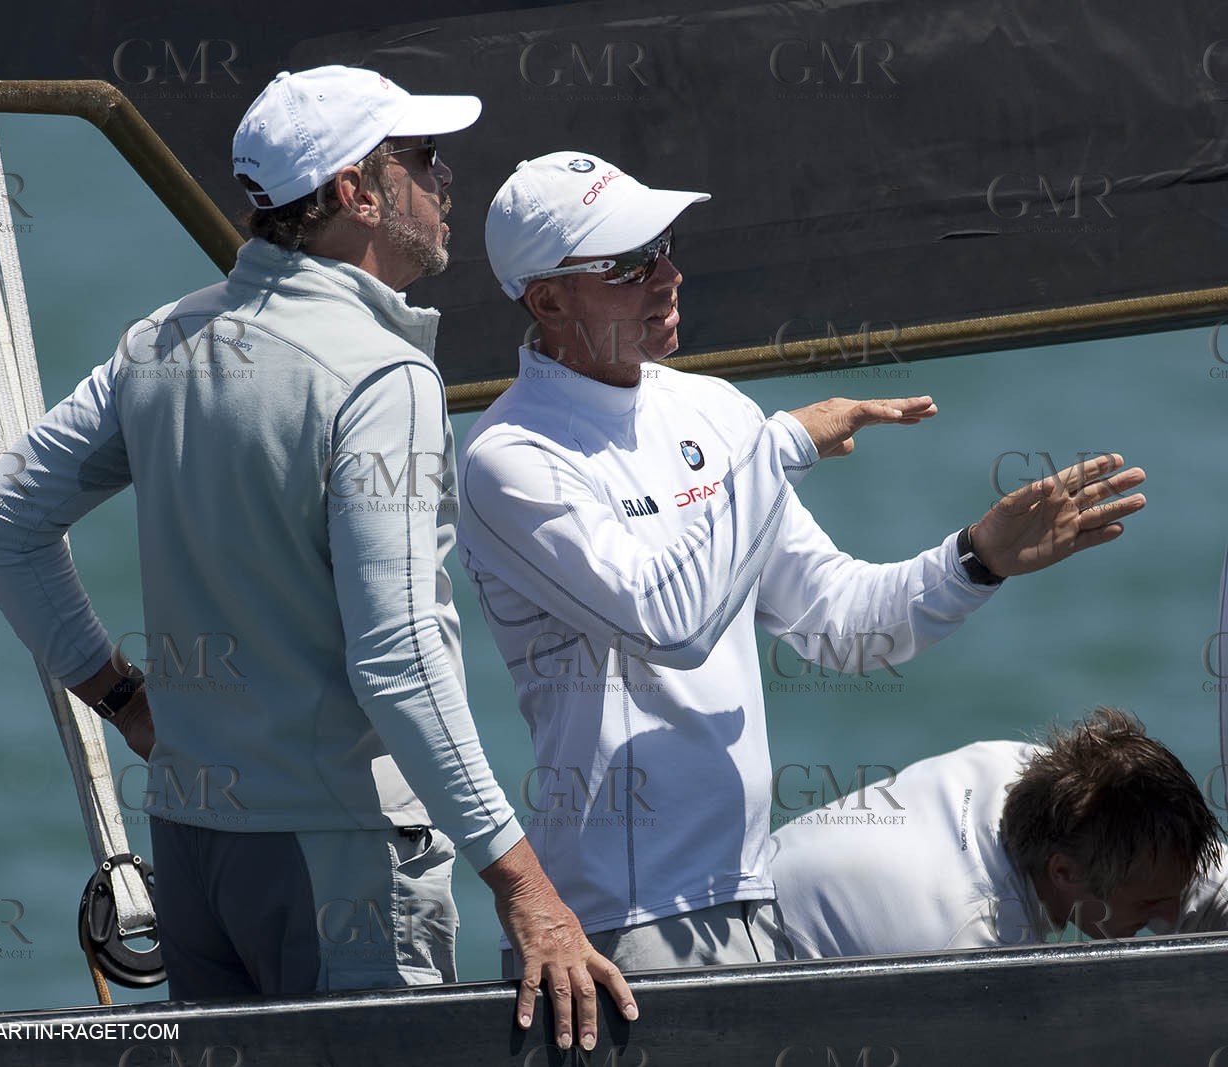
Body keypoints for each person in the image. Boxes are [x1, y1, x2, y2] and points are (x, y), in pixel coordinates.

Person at [0, 70, 633, 1049]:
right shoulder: (382, 374)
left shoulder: (159, 342)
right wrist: (525, 885)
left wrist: (124, 699)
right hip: (342, 864)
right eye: (424, 160)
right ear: (359, 193)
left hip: (195, 860)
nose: (446, 181)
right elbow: (399, 660)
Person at [456, 150, 1149, 975]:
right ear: (548, 299)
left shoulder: (710, 407)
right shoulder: (509, 457)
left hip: (750, 897)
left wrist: (975, 559)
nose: (669, 273)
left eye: (667, 243)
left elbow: (839, 622)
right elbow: (665, 621)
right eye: (633, 261)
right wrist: (782, 445)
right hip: (618, 923)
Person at [767, 707, 1224, 955]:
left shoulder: (1039, 772)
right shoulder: (974, 943)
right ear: (1063, 872)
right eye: (1147, 903)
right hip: (728, 973)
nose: (1168, 918)